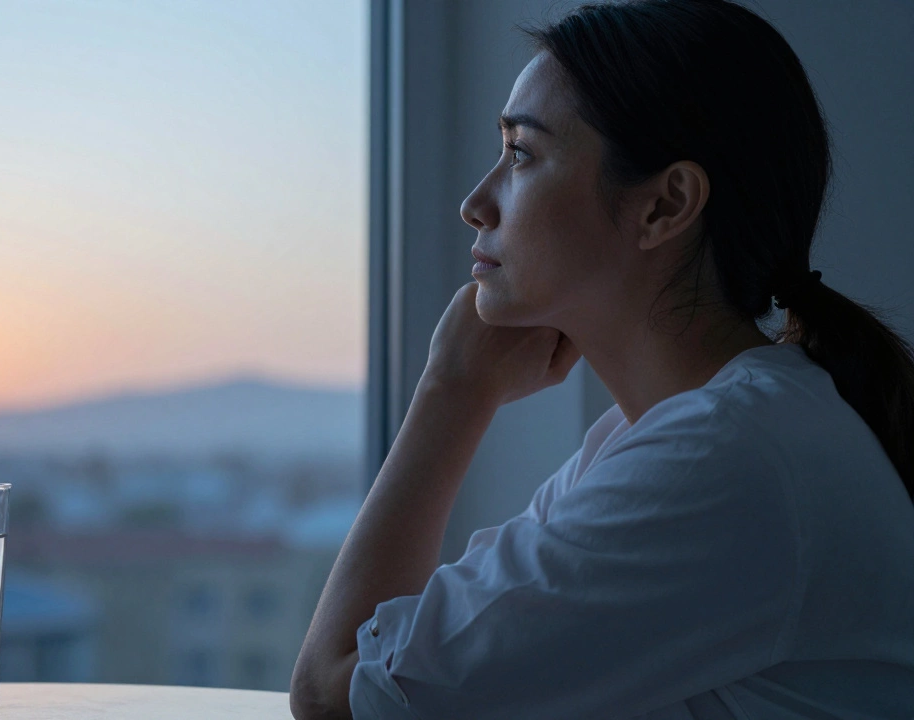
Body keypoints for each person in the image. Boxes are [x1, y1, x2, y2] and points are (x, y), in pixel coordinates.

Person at [289, 1, 914, 718]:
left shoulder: (722, 459)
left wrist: (452, 390)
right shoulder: (666, 438)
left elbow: (332, 693)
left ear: (664, 205)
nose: (475, 203)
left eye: (522, 154)